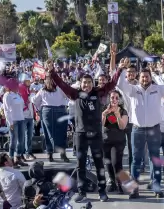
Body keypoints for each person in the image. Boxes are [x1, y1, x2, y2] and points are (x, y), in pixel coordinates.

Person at [46, 58, 122, 203]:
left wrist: (119, 69)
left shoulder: (99, 93)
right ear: (80, 84)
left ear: (93, 84)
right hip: (80, 135)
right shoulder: (75, 94)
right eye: (84, 83)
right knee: (80, 164)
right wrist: (51, 72)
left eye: (89, 82)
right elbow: (61, 84)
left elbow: (112, 83)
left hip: (96, 135)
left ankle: (102, 191)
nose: (86, 85)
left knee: (99, 163)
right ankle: (82, 192)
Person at [116, 63, 164, 198]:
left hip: (154, 129)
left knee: (154, 159)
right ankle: (134, 189)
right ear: (139, 77)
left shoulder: (158, 89)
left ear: (150, 77)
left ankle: (157, 187)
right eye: (142, 77)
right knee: (136, 160)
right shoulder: (133, 89)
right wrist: (122, 69)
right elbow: (120, 84)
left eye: (147, 77)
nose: (145, 79)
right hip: (137, 130)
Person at [32, 76, 69, 162]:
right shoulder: (59, 89)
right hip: (60, 110)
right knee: (61, 132)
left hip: (47, 111)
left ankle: (50, 154)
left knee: (48, 132)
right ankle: (62, 154)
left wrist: (38, 108)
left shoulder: (42, 90)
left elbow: (35, 101)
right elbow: (68, 96)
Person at [102, 90, 128, 194]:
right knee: (108, 163)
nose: (114, 100)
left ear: (120, 99)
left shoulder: (123, 111)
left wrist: (117, 114)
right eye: (112, 97)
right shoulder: (105, 109)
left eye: (117, 97)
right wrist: (104, 114)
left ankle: (120, 183)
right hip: (106, 140)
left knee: (116, 163)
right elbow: (103, 124)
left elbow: (122, 126)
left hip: (118, 140)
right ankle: (112, 182)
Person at [2, 81, 28, 167]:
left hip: (21, 119)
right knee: (13, 141)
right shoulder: (7, 95)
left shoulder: (18, 95)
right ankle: (11, 160)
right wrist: (10, 122)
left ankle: (18, 158)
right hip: (13, 120)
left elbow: (22, 106)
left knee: (21, 141)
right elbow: (6, 110)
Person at [19, 74, 36, 161]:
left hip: (30, 115)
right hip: (23, 115)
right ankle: (21, 154)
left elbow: (32, 102)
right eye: (28, 81)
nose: (30, 82)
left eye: (29, 81)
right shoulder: (21, 88)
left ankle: (28, 152)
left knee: (29, 135)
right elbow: (23, 101)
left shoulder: (28, 89)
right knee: (22, 136)